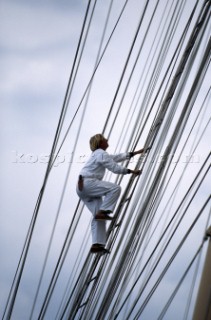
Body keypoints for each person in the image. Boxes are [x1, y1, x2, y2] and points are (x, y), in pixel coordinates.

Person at [76, 133, 146, 254]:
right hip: (88, 183)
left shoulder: (99, 154)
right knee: (115, 189)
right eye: (104, 139)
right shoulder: (100, 153)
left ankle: (97, 244)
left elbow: (115, 158)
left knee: (98, 217)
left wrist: (134, 153)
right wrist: (130, 171)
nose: (107, 139)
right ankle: (104, 211)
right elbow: (114, 167)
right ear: (100, 142)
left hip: (82, 188)